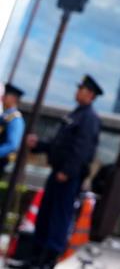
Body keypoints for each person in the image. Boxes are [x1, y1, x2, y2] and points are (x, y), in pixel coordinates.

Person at [25, 75, 103, 269]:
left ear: (90, 94)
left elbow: (82, 150)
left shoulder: (89, 118)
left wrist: (68, 171)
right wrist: (39, 145)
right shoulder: (76, 114)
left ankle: (48, 261)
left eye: (81, 89)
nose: (78, 92)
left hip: (68, 177)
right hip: (58, 172)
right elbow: (58, 144)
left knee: (58, 217)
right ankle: (35, 259)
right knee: (45, 215)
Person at [0, 83, 26, 172]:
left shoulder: (15, 118)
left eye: (5, 95)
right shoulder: (5, 116)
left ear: (14, 99)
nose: (2, 98)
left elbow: (12, 144)